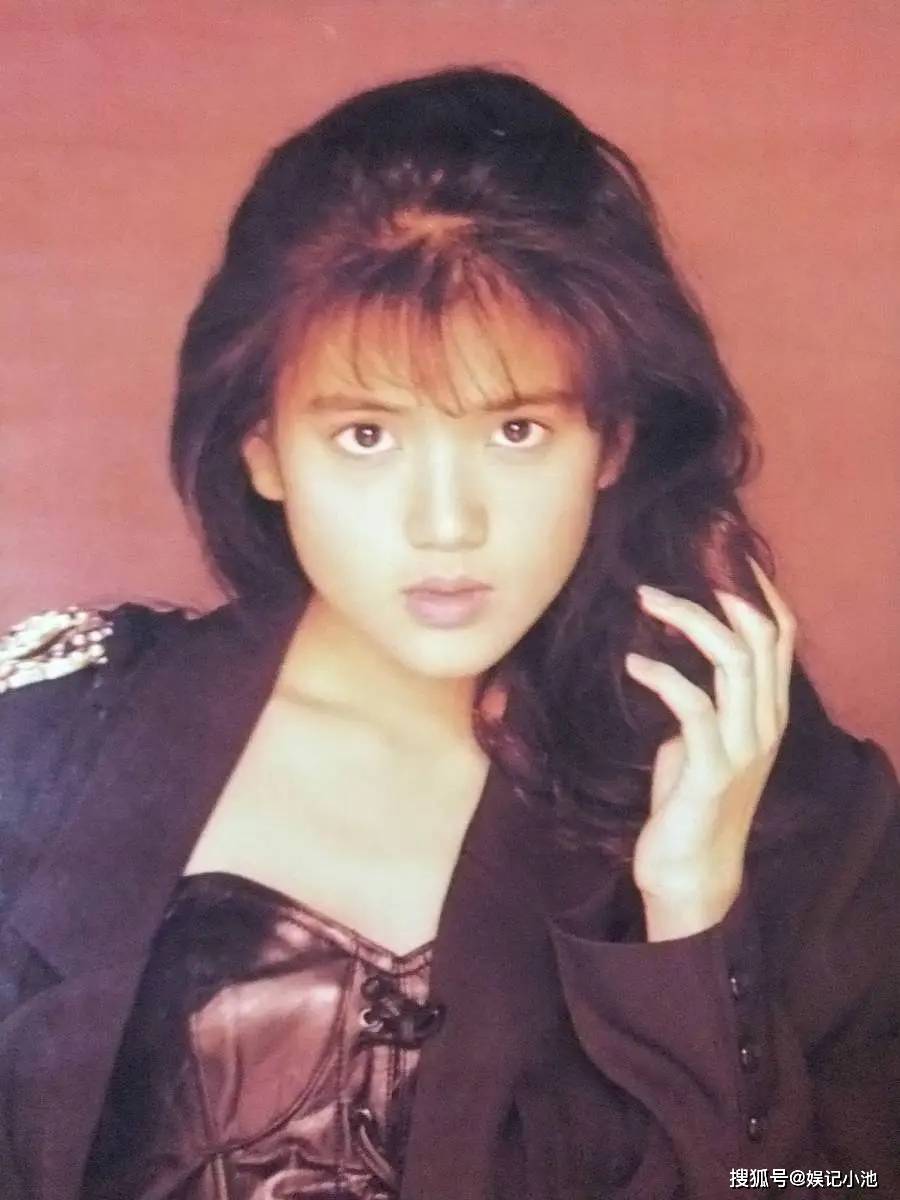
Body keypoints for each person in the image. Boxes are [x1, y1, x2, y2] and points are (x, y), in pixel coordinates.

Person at [0, 65, 897, 1200]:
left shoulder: (791, 810)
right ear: (262, 447)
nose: (446, 523)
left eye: (516, 430)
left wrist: (690, 924)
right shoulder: (58, 739)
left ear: (613, 441)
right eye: (367, 435)